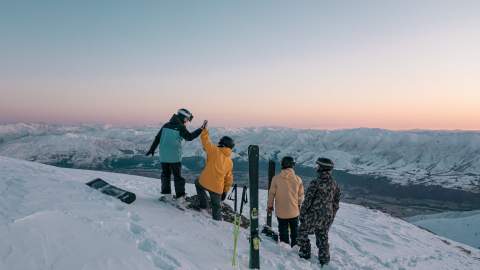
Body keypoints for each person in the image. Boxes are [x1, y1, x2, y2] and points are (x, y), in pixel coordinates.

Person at [146, 108, 207, 203]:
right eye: (187, 119)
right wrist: (201, 129)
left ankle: (167, 195)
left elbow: (158, 138)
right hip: (174, 156)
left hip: (164, 156)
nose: (187, 121)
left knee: (165, 175)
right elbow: (189, 137)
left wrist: (152, 149)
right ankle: (180, 198)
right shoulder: (180, 126)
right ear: (183, 117)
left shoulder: (166, 125)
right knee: (178, 177)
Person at [297, 157, 341, 267]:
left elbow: (308, 200)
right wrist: (331, 215)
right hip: (327, 216)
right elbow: (336, 203)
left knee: (301, 232)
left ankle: (305, 253)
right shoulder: (335, 184)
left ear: (322, 168)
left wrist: (302, 215)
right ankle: (324, 260)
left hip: (313, 214)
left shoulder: (315, 183)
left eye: (318, 166)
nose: (317, 168)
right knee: (322, 236)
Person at [195, 122, 234, 221]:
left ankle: (204, 206)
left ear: (221, 143)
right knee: (217, 207)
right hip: (217, 188)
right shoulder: (230, 162)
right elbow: (229, 179)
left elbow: (206, 141)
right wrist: (225, 191)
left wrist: (204, 130)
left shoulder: (214, 150)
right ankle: (217, 223)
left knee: (197, 183)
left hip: (204, 182)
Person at [267, 156, 304, 247]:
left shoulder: (276, 179)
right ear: (292, 166)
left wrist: (270, 206)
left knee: (283, 230)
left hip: (281, 211)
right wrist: (298, 205)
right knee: (295, 230)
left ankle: (284, 246)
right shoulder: (298, 179)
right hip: (294, 211)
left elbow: (271, 194)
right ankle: (295, 246)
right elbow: (301, 196)